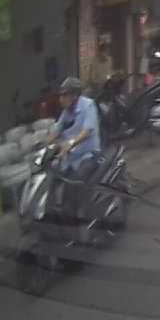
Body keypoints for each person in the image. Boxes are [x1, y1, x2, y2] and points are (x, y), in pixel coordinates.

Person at [50, 77, 104, 218]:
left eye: (64, 95)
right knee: (54, 176)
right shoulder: (66, 111)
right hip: (71, 156)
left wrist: (70, 143)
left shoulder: (88, 105)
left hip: (89, 154)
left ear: (74, 95)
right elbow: (57, 129)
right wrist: (46, 142)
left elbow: (87, 131)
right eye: (60, 95)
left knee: (75, 180)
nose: (61, 99)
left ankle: (83, 214)